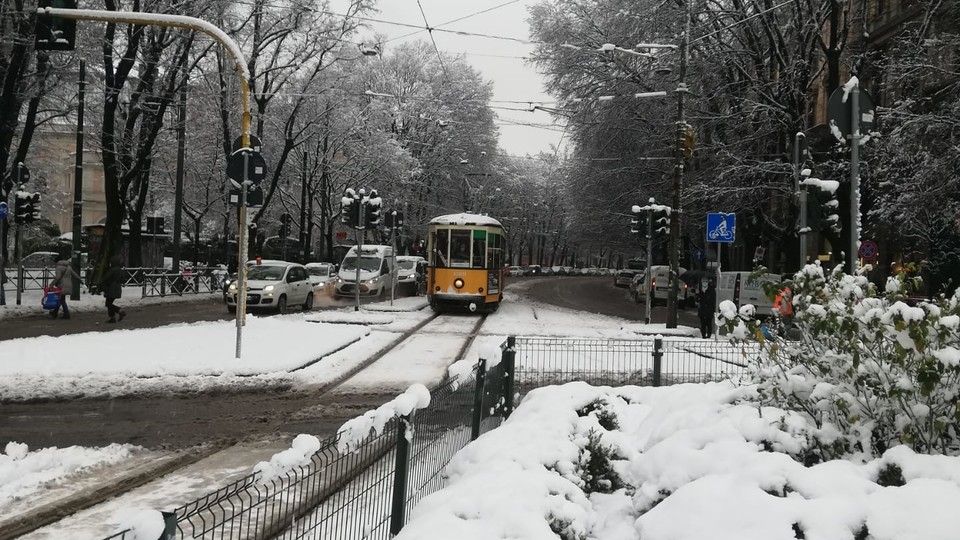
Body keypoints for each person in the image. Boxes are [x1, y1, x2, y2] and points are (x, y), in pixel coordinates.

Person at [49, 249, 80, 319]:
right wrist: (80, 280)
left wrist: (51, 284)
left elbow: (58, 277)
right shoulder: (68, 267)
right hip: (68, 285)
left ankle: (66, 314)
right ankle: (55, 313)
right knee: (61, 299)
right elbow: (74, 274)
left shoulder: (58, 267)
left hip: (62, 286)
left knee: (62, 300)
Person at [102, 255, 126, 323]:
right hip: (118, 288)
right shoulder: (120, 270)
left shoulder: (112, 270)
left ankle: (119, 311)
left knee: (108, 304)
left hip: (111, 289)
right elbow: (123, 280)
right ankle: (112, 318)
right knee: (109, 303)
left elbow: (106, 278)